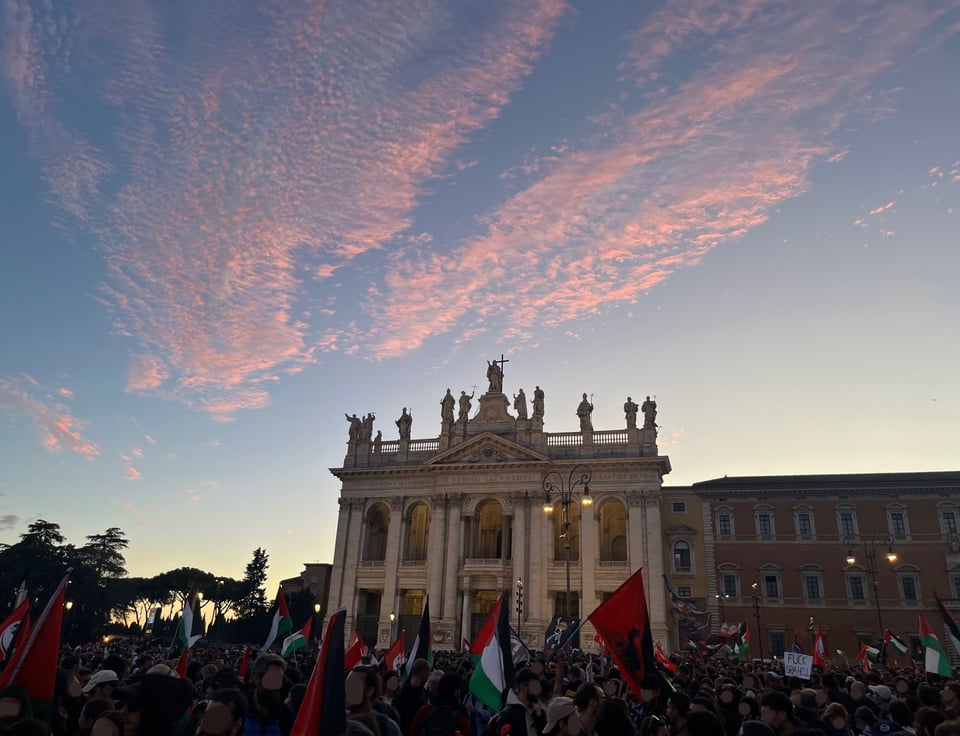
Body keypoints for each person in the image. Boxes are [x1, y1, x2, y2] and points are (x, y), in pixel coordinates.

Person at [393, 658, 431, 734]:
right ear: (423, 672)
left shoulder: (425, 692)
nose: (429, 675)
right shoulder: (402, 696)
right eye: (428, 672)